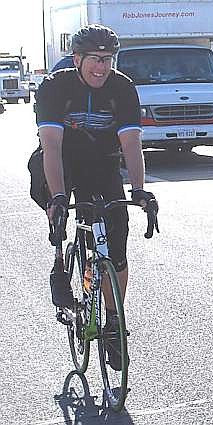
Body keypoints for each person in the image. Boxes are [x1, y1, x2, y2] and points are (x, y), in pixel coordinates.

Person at [36, 24, 157, 369]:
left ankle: (115, 321)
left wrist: (138, 190)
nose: (101, 67)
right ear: (77, 59)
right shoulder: (55, 87)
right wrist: (58, 198)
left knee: (116, 236)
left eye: (107, 59)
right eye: (94, 60)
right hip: (62, 161)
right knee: (55, 199)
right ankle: (60, 254)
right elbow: (52, 146)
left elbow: (132, 143)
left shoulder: (122, 88)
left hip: (102, 163)